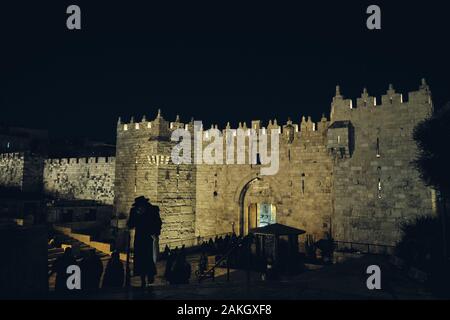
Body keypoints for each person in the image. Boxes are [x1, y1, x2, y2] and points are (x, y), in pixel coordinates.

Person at [127, 196, 162, 288]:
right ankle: (143, 279)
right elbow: (130, 224)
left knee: (149, 257)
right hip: (139, 237)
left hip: (149, 236)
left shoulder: (152, 210)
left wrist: (156, 233)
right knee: (140, 258)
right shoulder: (134, 211)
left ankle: (150, 275)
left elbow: (158, 222)